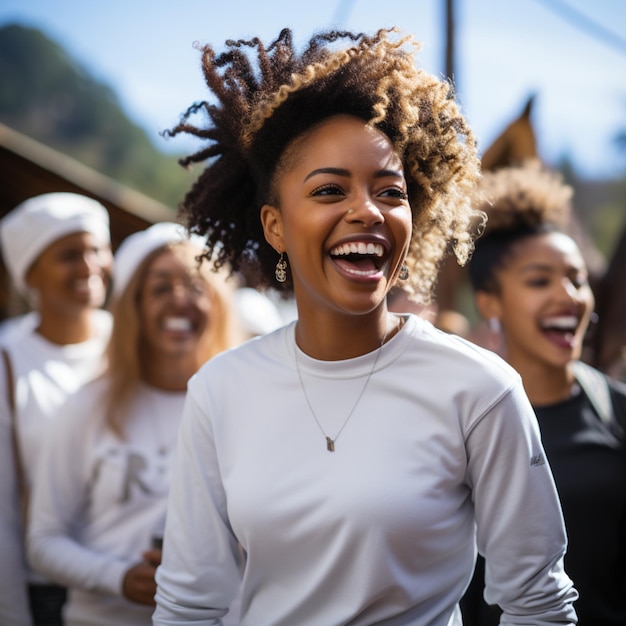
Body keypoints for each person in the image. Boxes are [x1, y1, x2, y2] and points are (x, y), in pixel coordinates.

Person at [153, 28, 578, 625]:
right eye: (330, 189)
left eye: (390, 192)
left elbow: (538, 604)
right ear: (275, 225)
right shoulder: (218, 393)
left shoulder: (480, 390)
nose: (367, 211)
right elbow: (189, 605)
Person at [26, 222, 244, 626]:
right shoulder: (88, 406)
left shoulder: (246, 408)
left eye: (196, 286)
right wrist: (120, 578)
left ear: (217, 302)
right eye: (161, 288)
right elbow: (43, 542)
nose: (180, 300)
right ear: (134, 305)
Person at [462, 161, 626, 625]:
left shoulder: (618, 414)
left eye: (576, 278)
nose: (568, 295)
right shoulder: (465, 425)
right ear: (489, 301)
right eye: (539, 281)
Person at [0, 192, 113, 626]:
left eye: (96, 250)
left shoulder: (129, 345)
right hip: (46, 593)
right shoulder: (9, 360)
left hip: (131, 584)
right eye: (69, 255)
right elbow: (4, 512)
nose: (88, 267)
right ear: (30, 274)